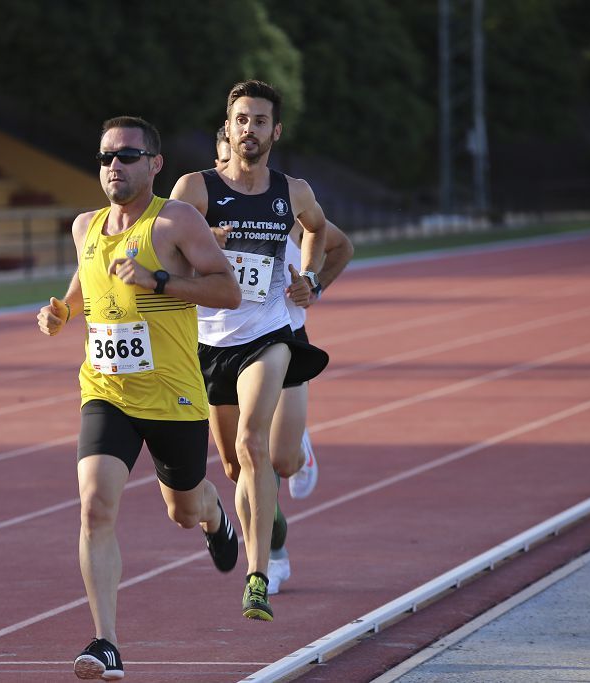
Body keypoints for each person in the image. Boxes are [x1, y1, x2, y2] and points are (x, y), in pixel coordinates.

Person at [37, 115, 242, 680]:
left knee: (182, 509)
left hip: (173, 394)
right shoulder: (85, 227)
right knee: (95, 506)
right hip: (105, 391)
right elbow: (85, 287)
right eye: (105, 156)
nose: (113, 166)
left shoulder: (176, 221)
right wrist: (61, 312)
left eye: (127, 156)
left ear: (155, 164)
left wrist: (158, 282)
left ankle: (213, 514)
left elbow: (227, 290)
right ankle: (106, 643)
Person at [171, 80, 331, 621]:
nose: (250, 129)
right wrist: (201, 247)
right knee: (236, 467)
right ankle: (269, 535)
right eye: (241, 119)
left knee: (253, 444)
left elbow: (318, 232)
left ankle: (257, 575)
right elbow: (160, 247)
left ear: (275, 131)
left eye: (260, 121)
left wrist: (309, 276)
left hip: (269, 335)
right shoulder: (195, 189)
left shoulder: (294, 192)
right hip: (211, 341)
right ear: (229, 124)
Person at [212, 128, 354, 594]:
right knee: (238, 466)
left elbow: (341, 246)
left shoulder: (286, 212)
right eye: (221, 166)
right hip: (225, 345)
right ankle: (271, 552)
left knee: (280, 461)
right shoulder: (198, 214)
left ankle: (298, 448)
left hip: (284, 340)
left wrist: (313, 284)